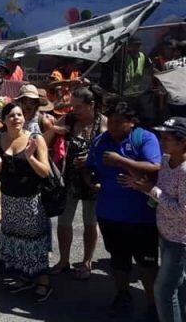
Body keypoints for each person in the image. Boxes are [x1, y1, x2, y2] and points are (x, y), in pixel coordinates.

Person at [87, 99, 161, 317]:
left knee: (146, 264)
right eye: (110, 121)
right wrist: (90, 180)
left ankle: (153, 304)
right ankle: (123, 295)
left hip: (141, 216)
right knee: (118, 259)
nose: (112, 126)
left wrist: (121, 160)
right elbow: (90, 167)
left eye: (119, 122)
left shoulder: (144, 138)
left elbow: (155, 168)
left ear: (131, 123)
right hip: (109, 213)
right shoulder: (101, 140)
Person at [119, 117, 186, 322]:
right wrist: (141, 186)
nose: (161, 140)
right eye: (161, 136)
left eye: (166, 137)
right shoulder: (166, 161)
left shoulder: (184, 171)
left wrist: (151, 190)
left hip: (180, 240)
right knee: (178, 284)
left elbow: (182, 210)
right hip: (165, 233)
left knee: (163, 290)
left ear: (182, 142)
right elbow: (161, 193)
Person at [0, 103, 52, 301]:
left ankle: (43, 282)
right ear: (4, 120)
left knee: (35, 242)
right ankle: (24, 277)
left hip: (31, 201)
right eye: (11, 115)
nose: (16, 118)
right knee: (15, 240)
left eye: (19, 115)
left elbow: (45, 172)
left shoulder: (35, 139)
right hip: (9, 200)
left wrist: (29, 157)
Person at [45, 87, 106, 279]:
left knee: (90, 222)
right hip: (69, 178)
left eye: (79, 106)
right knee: (64, 222)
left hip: (93, 179)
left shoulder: (102, 123)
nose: (74, 110)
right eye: (72, 106)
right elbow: (46, 139)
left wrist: (91, 158)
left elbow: (110, 150)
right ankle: (64, 260)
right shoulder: (69, 119)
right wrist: (53, 128)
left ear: (92, 105)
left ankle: (86, 261)